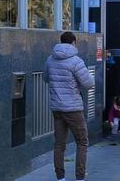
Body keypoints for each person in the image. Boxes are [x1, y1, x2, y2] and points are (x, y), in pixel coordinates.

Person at [44, 32, 95, 181]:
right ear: (73, 42)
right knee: (82, 142)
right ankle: (80, 177)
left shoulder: (50, 59)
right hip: (73, 108)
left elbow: (46, 78)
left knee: (59, 144)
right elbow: (89, 83)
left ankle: (60, 178)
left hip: (57, 108)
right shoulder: (76, 61)